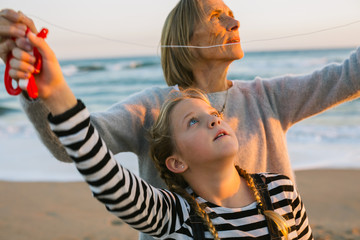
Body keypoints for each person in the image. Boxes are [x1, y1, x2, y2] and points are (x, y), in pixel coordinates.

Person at [1, 0, 359, 239]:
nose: (234, 22)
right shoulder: (152, 109)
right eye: (217, 17)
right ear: (185, 39)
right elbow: (76, 146)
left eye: (215, 116)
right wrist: (40, 86)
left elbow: (348, 76)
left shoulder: (270, 105)